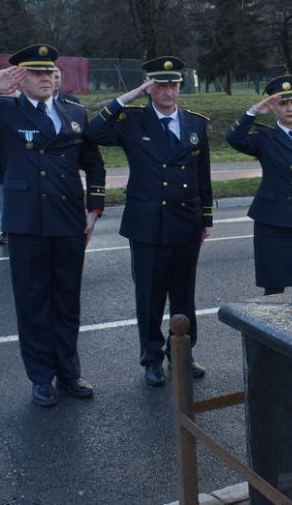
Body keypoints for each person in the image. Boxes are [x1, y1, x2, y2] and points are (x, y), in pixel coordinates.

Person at [0, 44, 106, 407]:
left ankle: (68, 371)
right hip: (27, 222)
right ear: (20, 77)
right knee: (34, 303)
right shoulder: (4, 110)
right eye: (36, 73)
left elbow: (92, 161)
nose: (46, 78)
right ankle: (40, 377)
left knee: (67, 301)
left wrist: (94, 207)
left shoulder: (74, 110)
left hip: (67, 221)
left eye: (49, 72)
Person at [86, 56, 213, 387]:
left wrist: (205, 219)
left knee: (184, 295)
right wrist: (126, 98)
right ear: (149, 89)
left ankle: (183, 354)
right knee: (151, 296)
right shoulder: (132, 120)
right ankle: (152, 357)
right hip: (148, 224)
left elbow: (203, 175)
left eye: (173, 85)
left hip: (186, 221)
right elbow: (93, 130)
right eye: (160, 85)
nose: (168, 91)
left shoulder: (195, 123)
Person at [225, 75, 292, 295]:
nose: (290, 108)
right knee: (274, 292)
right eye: (283, 104)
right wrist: (254, 111)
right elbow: (233, 137)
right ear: (274, 109)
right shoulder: (264, 138)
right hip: (273, 224)